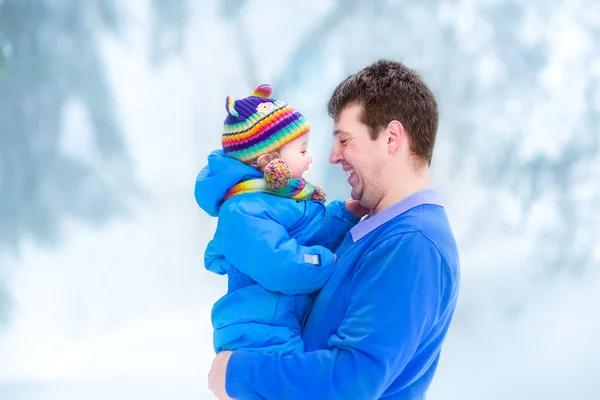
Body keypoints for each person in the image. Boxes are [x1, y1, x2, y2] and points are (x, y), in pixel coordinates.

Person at [207, 60, 461, 400]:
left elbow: (351, 381)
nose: (332, 156)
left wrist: (238, 373)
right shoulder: (378, 229)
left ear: (391, 138)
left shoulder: (413, 244)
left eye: (344, 140)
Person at [195, 84, 369, 356]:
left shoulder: (276, 199)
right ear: (269, 160)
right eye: (302, 151)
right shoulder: (240, 212)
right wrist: (327, 262)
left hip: (280, 318)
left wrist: (343, 214)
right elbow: (279, 264)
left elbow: (309, 228)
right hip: (257, 330)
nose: (310, 158)